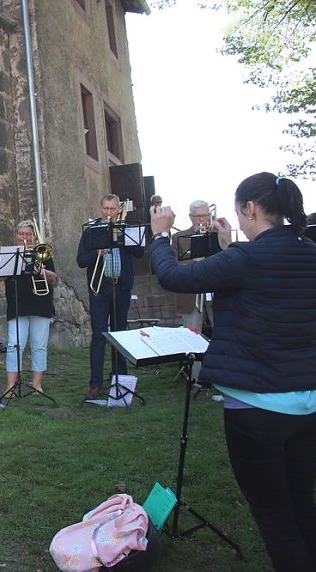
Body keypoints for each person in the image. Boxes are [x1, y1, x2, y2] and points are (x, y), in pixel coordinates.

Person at [150, 172, 316, 571]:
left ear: (251, 208)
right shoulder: (308, 251)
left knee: (275, 518)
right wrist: (229, 246)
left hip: (256, 408)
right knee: (301, 502)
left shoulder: (246, 259)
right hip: (307, 401)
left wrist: (159, 237)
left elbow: (173, 277)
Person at [76, 195, 145, 400]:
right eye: (105, 208)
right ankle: (95, 384)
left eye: (112, 209)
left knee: (120, 335)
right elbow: (81, 260)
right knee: (99, 336)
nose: (109, 213)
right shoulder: (91, 231)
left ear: (118, 210)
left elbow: (140, 252)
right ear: (100, 208)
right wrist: (98, 252)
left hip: (121, 287)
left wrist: (121, 236)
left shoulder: (126, 228)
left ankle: (120, 380)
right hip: (100, 288)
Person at [3, 221, 57, 394]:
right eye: (22, 234)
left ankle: (37, 384)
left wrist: (41, 270)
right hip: (17, 304)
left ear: (33, 237)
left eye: (28, 234)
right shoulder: (10, 254)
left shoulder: (43, 254)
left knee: (39, 346)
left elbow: (54, 278)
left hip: (41, 304)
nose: (25, 238)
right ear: (15, 236)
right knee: (14, 345)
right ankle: (11, 386)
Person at [170, 200, 214, 389]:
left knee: (222, 334)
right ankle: (196, 380)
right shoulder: (179, 237)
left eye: (206, 215)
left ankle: (221, 378)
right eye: (199, 216)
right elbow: (174, 266)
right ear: (190, 217)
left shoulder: (216, 235)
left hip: (214, 292)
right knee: (192, 336)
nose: (203, 219)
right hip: (191, 294)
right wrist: (193, 264)